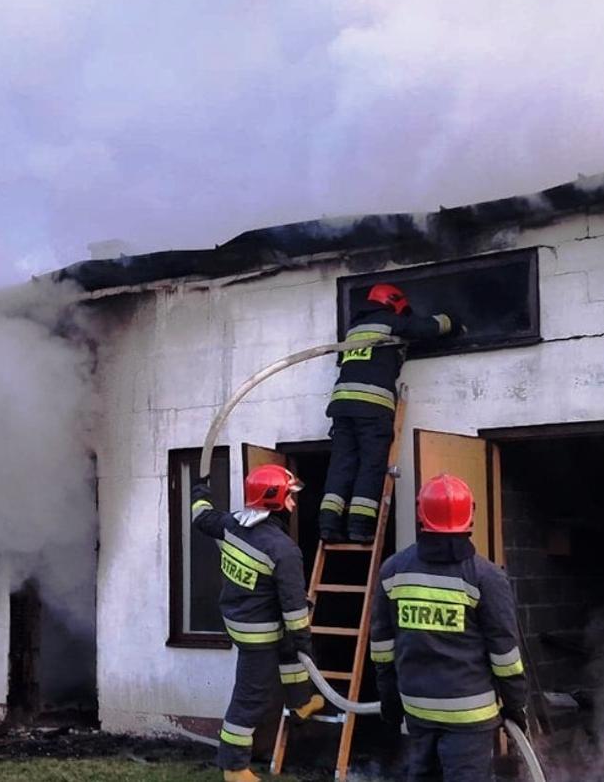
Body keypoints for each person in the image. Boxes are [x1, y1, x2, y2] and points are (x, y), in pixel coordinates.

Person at [369, 474, 528, 782]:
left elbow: (382, 646)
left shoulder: (393, 570)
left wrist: (389, 696)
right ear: (471, 515)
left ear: (421, 514)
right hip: (470, 716)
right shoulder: (486, 577)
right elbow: (505, 656)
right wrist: (515, 705)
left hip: (417, 708)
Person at [192, 464, 328, 782]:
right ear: (275, 500)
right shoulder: (283, 550)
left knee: (289, 651)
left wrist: (200, 490)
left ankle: (301, 702)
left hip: (242, 618)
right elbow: (294, 609)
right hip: (259, 634)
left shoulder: (230, 524)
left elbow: (201, 517)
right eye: (289, 497)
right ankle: (234, 767)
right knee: (250, 699)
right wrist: (305, 642)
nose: (293, 503)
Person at [320, 283, 457, 543]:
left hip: (342, 406)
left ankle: (328, 524)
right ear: (393, 301)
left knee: (342, 464)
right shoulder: (389, 322)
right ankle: (360, 526)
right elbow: (425, 328)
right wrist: (452, 320)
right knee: (371, 464)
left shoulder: (354, 329)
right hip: (371, 407)